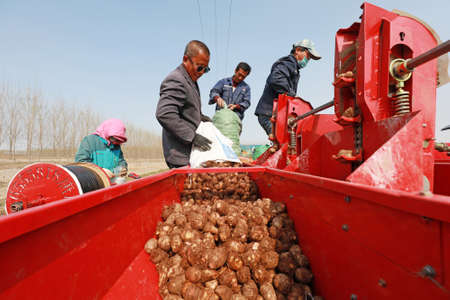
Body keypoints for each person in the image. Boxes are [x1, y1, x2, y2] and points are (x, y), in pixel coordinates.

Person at [156, 40, 213, 169]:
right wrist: (192, 137)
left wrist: (200, 116)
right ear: (185, 59)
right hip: (180, 156)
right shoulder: (176, 79)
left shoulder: (191, 80)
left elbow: (184, 108)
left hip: (190, 154)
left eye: (206, 69)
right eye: (200, 67)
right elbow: (165, 114)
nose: (202, 72)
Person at [255, 39, 321, 135]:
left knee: (284, 141)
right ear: (297, 50)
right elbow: (276, 79)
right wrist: (293, 96)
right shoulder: (287, 63)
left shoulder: (294, 68)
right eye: (308, 56)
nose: (308, 60)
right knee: (282, 141)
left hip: (273, 114)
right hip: (269, 113)